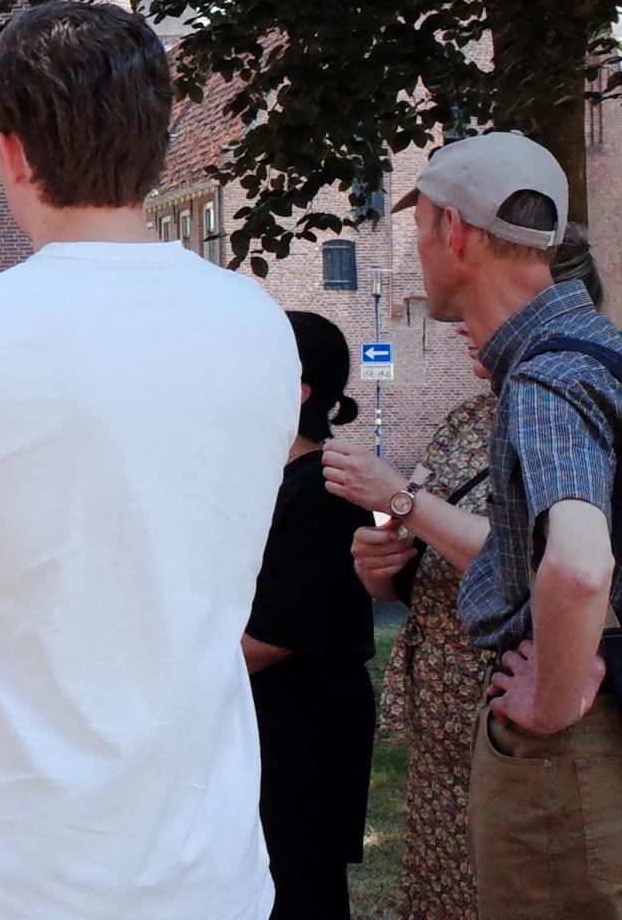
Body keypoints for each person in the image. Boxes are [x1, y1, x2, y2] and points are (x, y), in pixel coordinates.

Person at [0, 0, 301, 920]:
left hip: (2, 874)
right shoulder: (260, 329)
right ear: (158, 141)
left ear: (10, 150)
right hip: (207, 869)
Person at [379, 131, 622, 919]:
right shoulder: (612, 352)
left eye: (420, 228)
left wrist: (551, 704)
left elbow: (581, 565)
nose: (419, 249)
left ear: (454, 233)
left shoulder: (548, 377)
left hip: (571, 752)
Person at [325, 224, 607, 920]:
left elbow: (539, 559)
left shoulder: (565, 409)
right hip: (445, 737)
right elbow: (413, 540)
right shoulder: (464, 421)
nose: (456, 326)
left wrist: (401, 499)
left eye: (471, 305)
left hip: (520, 728)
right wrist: (380, 562)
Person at [244, 311, 375, 920]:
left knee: (298, 886)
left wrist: (169, 669)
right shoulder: (269, 480)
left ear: (295, 392)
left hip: (304, 730)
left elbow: (276, 636)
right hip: (270, 720)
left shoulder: (322, 490)